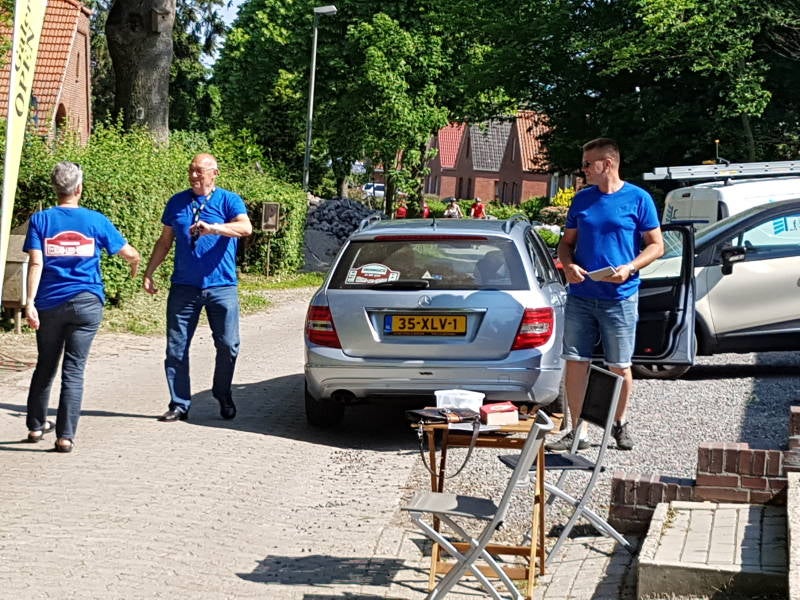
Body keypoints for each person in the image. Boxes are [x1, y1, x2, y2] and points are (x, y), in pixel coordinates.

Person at [549, 138, 663, 452]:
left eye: (588, 164)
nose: (583, 170)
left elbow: (656, 245)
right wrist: (568, 265)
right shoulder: (582, 200)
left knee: (620, 365)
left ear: (607, 164)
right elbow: (565, 244)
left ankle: (619, 423)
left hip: (620, 296)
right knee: (576, 361)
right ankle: (578, 430)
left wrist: (630, 267)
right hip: (581, 295)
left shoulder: (638, 198)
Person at [23, 161, 140, 453]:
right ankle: (65, 436)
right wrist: (135, 264)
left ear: (55, 188)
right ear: (79, 188)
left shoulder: (40, 220)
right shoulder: (95, 220)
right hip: (87, 303)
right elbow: (128, 252)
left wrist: (30, 302)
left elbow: (36, 263)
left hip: (49, 303)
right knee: (74, 370)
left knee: (45, 364)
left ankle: (36, 426)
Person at [143, 153, 253, 423]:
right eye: (191, 170)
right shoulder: (177, 202)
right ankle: (179, 404)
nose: (193, 176)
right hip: (184, 287)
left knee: (228, 345)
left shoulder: (228, 200)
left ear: (214, 173)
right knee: (176, 347)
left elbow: (245, 228)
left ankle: (222, 393)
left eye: (199, 171)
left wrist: (213, 228)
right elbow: (165, 241)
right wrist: (149, 272)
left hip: (222, 286)